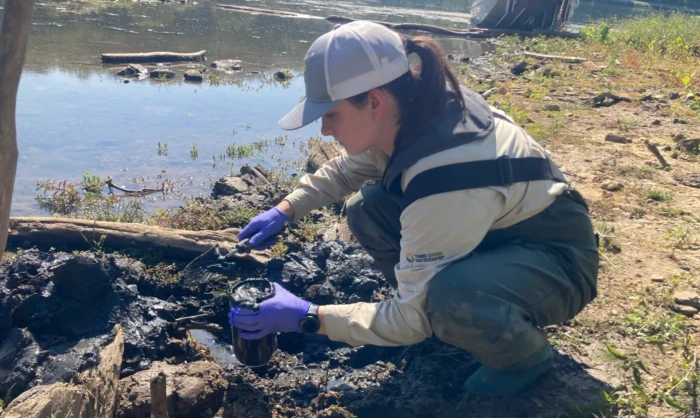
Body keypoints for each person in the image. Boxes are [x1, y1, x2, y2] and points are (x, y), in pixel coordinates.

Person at [228, 21, 598, 396]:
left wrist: (308, 318)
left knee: (449, 300)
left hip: (557, 258)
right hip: (492, 230)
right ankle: (434, 306)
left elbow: (410, 319)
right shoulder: (412, 109)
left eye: (331, 115)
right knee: (366, 208)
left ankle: (523, 358)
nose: (324, 130)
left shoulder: (447, 174)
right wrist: (286, 209)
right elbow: (346, 170)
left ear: (374, 101)